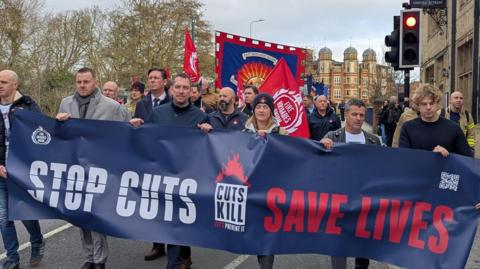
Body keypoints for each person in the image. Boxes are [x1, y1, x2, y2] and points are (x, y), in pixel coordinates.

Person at [130, 73, 207, 269]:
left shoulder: (201, 117)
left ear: (191, 91)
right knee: (167, 222)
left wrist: (209, 131)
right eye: (178, 87)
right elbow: (147, 140)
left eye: (185, 88)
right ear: (171, 90)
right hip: (163, 177)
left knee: (179, 222)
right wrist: (136, 128)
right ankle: (182, 258)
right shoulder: (158, 113)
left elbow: (210, 149)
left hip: (187, 179)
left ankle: (174, 263)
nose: (181, 91)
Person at [56, 67, 130, 269]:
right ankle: (89, 257)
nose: (82, 85)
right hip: (75, 168)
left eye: (86, 81)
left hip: (100, 169)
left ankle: (99, 259)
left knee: (95, 214)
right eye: (79, 82)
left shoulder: (112, 106)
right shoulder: (66, 103)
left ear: (95, 82)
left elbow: (125, 134)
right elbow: (59, 135)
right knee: (80, 214)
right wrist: (58, 122)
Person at [320, 98, 380, 269]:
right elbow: (320, 167)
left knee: (363, 244)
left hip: (365, 200)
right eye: (354, 114)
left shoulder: (374, 140)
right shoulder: (332, 137)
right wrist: (322, 147)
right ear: (346, 114)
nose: (359, 118)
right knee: (339, 244)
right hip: (339, 200)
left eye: (361, 115)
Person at [0, 70, 45, 269]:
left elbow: (42, 133)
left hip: (23, 170)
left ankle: (37, 241)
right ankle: (12, 258)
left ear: (15, 85)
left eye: (4, 82)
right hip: (1, 170)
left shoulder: (28, 105)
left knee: (24, 213)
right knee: (3, 218)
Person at [243, 93, 287, 269]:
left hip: (272, 192)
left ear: (271, 111)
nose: (261, 110)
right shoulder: (244, 132)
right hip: (250, 191)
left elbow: (291, 157)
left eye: (265, 107)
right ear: (254, 110)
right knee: (255, 233)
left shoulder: (282, 132)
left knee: (268, 234)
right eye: (258, 107)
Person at [399, 84, 473, 158]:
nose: (428, 107)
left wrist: (448, 156)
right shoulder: (408, 128)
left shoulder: (453, 128)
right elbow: (404, 158)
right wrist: (430, 157)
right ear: (418, 106)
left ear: (437, 104)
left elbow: (467, 158)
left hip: (444, 169)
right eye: (424, 104)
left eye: (431, 103)